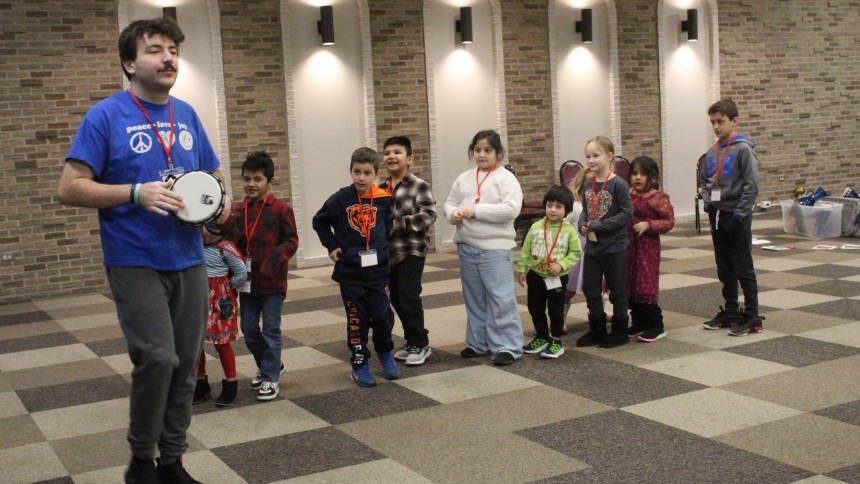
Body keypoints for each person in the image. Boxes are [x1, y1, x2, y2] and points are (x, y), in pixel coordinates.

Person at [57, 17, 228, 484]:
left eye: (173, 49)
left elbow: (210, 177)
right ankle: (141, 460)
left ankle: (172, 460)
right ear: (130, 63)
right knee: (158, 358)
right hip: (134, 258)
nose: (168, 57)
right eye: (155, 49)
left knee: (188, 365)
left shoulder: (187, 115)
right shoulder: (106, 116)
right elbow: (69, 188)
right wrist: (136, 193)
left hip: (189, 257)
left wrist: (218, 200)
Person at [312, 147, 399, 387]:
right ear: (350, 171)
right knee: (356, 321)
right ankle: (359, 362)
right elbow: (319, 222)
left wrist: (381, 249)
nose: (361, 177)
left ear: (376, 174)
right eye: (357, 172)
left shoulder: (383, 198)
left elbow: (388, 226)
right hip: (351, 274)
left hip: (378, 273)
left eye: (367, 173)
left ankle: (384, 353)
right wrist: (331, 245)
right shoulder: (340, 199)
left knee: (383, 317)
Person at [443, 129, 524, 366]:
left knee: (501, 298)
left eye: (487, 150)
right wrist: (453, 214)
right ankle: (479, 343)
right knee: (475, 298)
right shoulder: (464, 177)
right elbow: (449, 203)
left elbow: (511, 209)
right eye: (477, 150)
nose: (482, 155)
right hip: (467, 247)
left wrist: (477, 211)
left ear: (498, 153)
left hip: (495, 249)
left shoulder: (506, 178)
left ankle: (507, 346)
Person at [233, 151, 299, 401]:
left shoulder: (281, 209)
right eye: (247, 178)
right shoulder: (239, 211)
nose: (251, 184)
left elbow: (291, 240)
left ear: (270, 182)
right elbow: (234, 242)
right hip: (246, 282)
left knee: (271, 329)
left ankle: (270, 377)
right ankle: (272, 364)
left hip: (272, 282)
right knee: (248, 329)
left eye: (257, 179)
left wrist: (273, 261)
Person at [700, 98, 763, 336]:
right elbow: (706, 182)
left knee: (742, 265)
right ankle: (731, 311)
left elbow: (752, 184)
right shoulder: (711, 151)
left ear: (734, 121)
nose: (715, 127)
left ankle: (752, 315)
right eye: (712, 122)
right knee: (724, 266)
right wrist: (708, 203)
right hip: (717, 214)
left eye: (720, 121)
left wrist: (740, 212)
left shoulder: (743, 149)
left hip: (736, 215)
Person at [382, 136, 437, 366]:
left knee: (409, 296)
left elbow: (429, 214)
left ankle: (421, 343)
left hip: (412, 251)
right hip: (389, 253)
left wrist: (398, 223)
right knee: (395, 296)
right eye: (387, 153)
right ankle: (412, 340)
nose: (391, 156)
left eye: (397, 152)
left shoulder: (418, 185)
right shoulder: (380, 189)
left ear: (409, 159)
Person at [575, 136, 633, 349]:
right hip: (593, 247)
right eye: (588, 156)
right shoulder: (588, 183)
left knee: (617, 290)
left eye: (596, 155)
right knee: (591, 288)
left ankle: (619, 331)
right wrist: (583, 224)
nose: (591, 160)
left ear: (609, 156)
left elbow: (627, 213)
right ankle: (597, 329)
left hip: (614, 246)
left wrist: (599, 225)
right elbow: (585, 211)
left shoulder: (618, 184)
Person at [517, 186, 582, 358]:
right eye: (550, 205)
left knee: (555, 310)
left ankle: (556, 341)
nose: (552, 210)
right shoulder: (536, 226)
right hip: (536, 275)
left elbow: (575, 252)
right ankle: (541, 336)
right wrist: (523, 268)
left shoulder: (568, 230)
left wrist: (561, 265)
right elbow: (526, 249)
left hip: (557, 277)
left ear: (567, 210)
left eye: (558, 207)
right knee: (534, 307)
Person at [194, 223, 247, 406]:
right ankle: (200, 384)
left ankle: (231, 384)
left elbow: (241, 273)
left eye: (217, 233)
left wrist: (226, 287)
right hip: (197, 294)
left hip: (220, 298)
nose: (211, 236)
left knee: (222, 343)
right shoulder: (195, 242)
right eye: (208, 231)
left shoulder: (226, 248)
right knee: (196, 343)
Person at [626, 156, 674, 342]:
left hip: (647, 248)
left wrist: (649, 224)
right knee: (629, 283)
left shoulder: (658, 198)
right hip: (628, 246)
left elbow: (669, 221)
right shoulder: (627, 194)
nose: (638, 177)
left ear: (653, 177)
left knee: (645, 283)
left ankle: (656, 325)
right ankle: (638, 322)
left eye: (643, 174)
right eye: (635, 173)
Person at [561, 168, 591, 333]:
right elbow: (561, 222)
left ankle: (596, 313)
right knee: (568, 288)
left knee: (596, 286)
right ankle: (560, 318)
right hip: (576, 253)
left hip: (594, 250)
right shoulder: (574, 205)